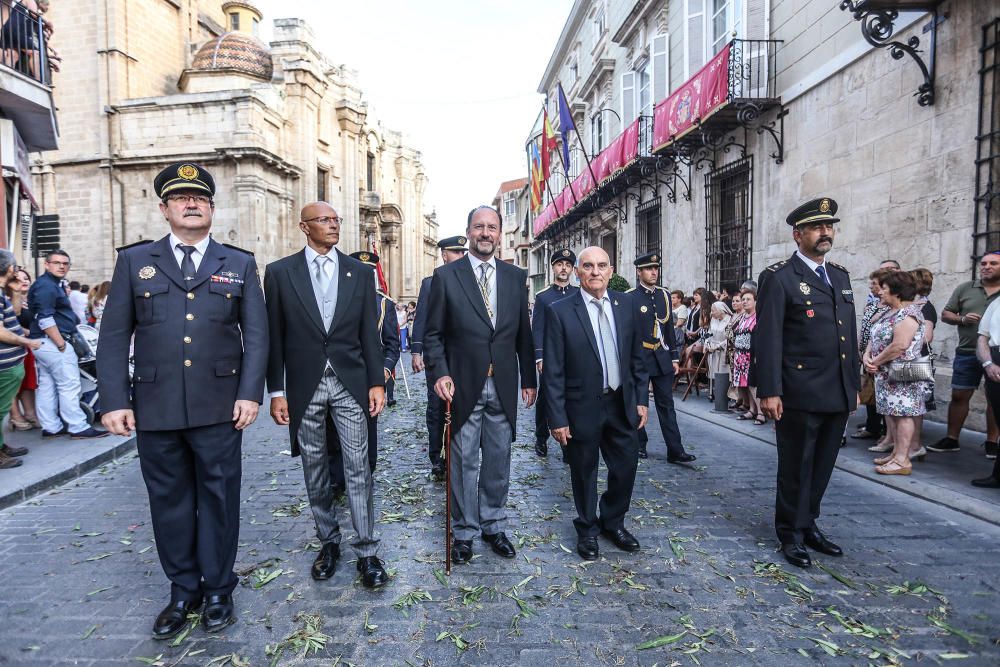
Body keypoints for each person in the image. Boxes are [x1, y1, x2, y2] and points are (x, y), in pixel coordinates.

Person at [97, 162, 268, 638]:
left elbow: (257, 336)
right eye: (181, 198)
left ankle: (218, 589)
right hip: (156, 407)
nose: (191, 204)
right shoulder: (135, 262)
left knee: (218, 499)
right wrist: (113, 399)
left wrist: (250, 394)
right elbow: (113, 336)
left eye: (200, 199)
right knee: (168, 501)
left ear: (212, 209)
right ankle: (182, 590)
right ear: (164, 208)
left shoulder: (238, 263)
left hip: (220, 407)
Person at [264, 201, 388, 589]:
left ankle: (367, 550)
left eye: (336, 219)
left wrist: (376, 382)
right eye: (324, 220)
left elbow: (370, 332)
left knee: (358, 465)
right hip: (304, 386)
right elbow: (274, 338)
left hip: (350, 383)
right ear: (304, 227)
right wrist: (277, 391)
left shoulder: (359, 272)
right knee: (315, 467)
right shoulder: (281, 273)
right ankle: (329, 542)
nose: (333, 225)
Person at [423, 205, 536, 565]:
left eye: (492, 227)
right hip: (462, 385)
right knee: (463, 461)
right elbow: (433, 334)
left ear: (500, 233)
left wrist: (529, 379)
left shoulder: (515, 277)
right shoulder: (447, 276)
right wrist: (439, 372)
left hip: (503, 383)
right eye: (479, 227)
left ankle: (494, 524)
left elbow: (523, 334)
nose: (485, 233)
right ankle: (465, 531)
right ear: (469, 231)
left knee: (498, 460)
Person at [756, 197, 860, 569]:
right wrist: (769, 389)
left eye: (829, 226)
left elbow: (848, 335)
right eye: (817, 227)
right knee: (796, 465)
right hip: (799, 391)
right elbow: (768, 338)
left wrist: (854, 385)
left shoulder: (841, 277)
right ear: (798, 234)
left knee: (823, 465)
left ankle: (809, 523)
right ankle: (790, 533)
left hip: (836, 390)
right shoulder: (780, 278)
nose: (825, 232)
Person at [543, 246, 649, 560]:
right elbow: (553, 370)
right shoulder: (560, 310)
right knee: (584, 471)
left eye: (601, 266)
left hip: (621, 403)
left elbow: (637, 358)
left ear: (611, 270)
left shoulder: (627, 304)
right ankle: (587, 529)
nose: (595, 272)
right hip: (581, 407)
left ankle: (612, 522)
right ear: (577, 272)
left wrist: (641, 399)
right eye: (587, 266)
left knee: (626, 467)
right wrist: (557, 418)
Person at [326, 251, 401, 494]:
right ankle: (337, 479)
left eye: (368, 271)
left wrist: (385, 370)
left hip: (370, 377)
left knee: (368, 426)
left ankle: (366, 471)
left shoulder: (383, 304)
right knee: (334, 429)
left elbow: (392, 344)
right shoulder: (334, 297)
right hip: (340, 374)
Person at [27, 249, 106, 439]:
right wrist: (61, 343)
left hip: (45, 342)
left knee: (48, 385)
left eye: (65, 263)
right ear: (47, 264)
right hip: (53, 341)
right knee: (69, 384)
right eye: (57, 263)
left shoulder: (49, 284)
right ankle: (78, 427)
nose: (62, 266)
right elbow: (44, 317)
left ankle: (51, 426)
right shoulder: (47, 286)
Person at [627, 252, 695, 463]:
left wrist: (674, 358)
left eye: (656, 268)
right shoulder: (629, 296)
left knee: (667, 405)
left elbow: (667, 330)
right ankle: (639, 444)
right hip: (638, 357)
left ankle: (675, 449)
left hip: (660, 355)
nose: (654, 272)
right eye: (649, 268)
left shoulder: (664, 295)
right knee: (638, 402)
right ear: (639, 272)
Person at [410, 235, 468, 479]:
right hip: (437, 357)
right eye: (455, 252)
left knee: (461, 407)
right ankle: (438, 458)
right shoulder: (430, 283)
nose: (460, 256)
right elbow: (421, 318)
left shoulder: (470, 281)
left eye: (462, 252)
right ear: (444, 254)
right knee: (436, 408)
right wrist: (416, 351)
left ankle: (458, 454)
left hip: (462, 357)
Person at [934, 253, 1000, 457]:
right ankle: (952, 439)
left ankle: (992, 443)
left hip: (997, 355)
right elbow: (946, 314)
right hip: (967, 351)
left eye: (993, 263)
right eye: (984, 263)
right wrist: (962, 319)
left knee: (994, 399)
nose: (986, 267)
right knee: (959, 394)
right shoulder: (965, 288)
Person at [863, 271, 929, 476]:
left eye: (884, 288)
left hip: (902, 373)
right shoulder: (888, 312)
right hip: (885, 373)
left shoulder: (908, 313)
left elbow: (900, 345)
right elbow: (874, 336)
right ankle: (896, 454)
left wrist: (875, 361)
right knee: (892, 415)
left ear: (896, 291)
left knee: (903, 415)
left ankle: (903, 459)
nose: (880, 291)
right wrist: (867, 356)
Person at [531, 248, 579, 458]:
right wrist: (539, 357)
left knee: (571, 398)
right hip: (550, 357)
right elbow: (538, 328)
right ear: (553, 267)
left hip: (574, 357)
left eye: (568, 265)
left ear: (572, 269)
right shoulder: (543, 297)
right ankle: (541, 437)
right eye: (560, 264)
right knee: (545, 399)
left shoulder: (578, 294)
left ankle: (567, 442)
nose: (564, 268)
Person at [0, 250, 42, 468]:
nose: (16, 271)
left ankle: (1, 447)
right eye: (15, 267)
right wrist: (25, 342)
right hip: (3, 365)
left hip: (10, 363)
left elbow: (13, 314)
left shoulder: (2, 293)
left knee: (2, 408)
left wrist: (16, 292)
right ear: (9, 269)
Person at [853, 268, 893, 442]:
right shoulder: (871, 305)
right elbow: (864, 328)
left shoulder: (892, 308)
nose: (872, 287)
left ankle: (886, 432)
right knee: (869, 393)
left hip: (881, 358)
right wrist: (860, 350)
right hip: (866, 355)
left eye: (875, 284)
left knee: (883, 395)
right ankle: (872, 427)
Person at [973, 286, 1000, 487]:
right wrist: (988, 363)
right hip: (995, 360)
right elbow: (982, 337)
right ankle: (998, 475)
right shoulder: (996, 303)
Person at [6, 267, 38, 431]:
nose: (23, 281)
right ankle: (16, 416)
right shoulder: (6, 297)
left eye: (26, 278)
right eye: (19, 278)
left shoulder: (30, 299)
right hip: (12, 346)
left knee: (27, 382)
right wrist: (31, 336)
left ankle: (30, 413)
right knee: (10, 384)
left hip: (24, 346)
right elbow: (13, 322)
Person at [732, 287, 764, 424]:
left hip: (751, 355)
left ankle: (761, 413)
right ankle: (752, 409)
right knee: (746, 384)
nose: (744, 302)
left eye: (748, 299)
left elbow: (760, 337)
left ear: (756, 301)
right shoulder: (742, 317)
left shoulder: (759, 317)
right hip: (740, 355)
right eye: (743, 299)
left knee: (754, 385)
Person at [703, 300, 733, 401]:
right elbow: (709, 333)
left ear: (721, 310)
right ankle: (712, 393)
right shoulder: (713, 319)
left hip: (723, 350)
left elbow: (729, 338)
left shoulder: (730, 320)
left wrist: (718, 346)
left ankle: (725, 394)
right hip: (712, 349)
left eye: (713, 310)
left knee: (724, 372)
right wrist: (707, 344)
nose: (712, 313)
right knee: (713, 371)